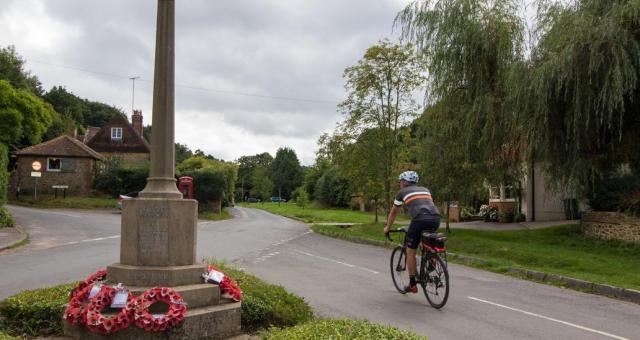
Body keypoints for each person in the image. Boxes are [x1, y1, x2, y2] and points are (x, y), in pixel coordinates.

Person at [384, 170, 440, 293]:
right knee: (424, 241)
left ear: (404, 182)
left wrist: (387, 227)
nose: (399, 184)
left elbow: (394, 211)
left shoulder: (402, 192)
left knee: (410, 251)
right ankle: (431, 259)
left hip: (419, 219)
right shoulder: (425, 189)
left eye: (400, 182)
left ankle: (413, 284)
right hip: (435, 218)